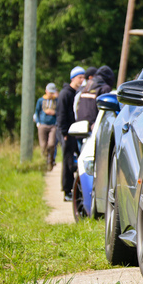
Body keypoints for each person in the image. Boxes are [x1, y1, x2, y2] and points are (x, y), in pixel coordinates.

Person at [56, 66, 85, 201]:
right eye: (80, 77)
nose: (82, 80)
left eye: (83, 77)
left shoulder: (76, 92)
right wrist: (64, 132)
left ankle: (76, 190)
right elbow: (61, 114)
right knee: (68, 162)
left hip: (73, 132)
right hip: (67, 132)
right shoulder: (65, 93)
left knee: (74, 160)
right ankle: (67, 191)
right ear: (73, 78)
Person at [76, 65, 115, 129]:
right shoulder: (105, 88)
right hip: (94, 127)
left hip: (79, 126)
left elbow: (76, 105)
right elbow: (106, 111)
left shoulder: (84, 87)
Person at [34, 82, 58, 171]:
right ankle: (44, 163)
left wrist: (54, 113)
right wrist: (38, 122)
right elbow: (37, 112)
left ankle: (51, 160)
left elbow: (60, 112)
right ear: (46, 91)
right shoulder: (41, 100)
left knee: (51, 144)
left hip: (53, 125)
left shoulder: (57, 101)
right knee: (43, 145)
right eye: (50, 92)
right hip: (43, 125)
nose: (51, 94)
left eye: (53, 92)